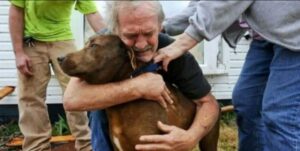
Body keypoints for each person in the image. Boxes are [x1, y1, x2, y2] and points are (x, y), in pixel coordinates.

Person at [63, 1, 220, 151]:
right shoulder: (105, 44)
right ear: (115, 30)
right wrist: (139, 87)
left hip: (156, 119)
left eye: (148, 33)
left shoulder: (176, 53)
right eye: (131, 35)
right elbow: (72, 99)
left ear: (160, 27)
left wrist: (190, 138)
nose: (141, 44)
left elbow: (209, 103)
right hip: (114, 119)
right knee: (98, 102)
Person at [155, 1, 300, 151]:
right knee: (247, 103)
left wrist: (182, 43)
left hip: (295, 33)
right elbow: (205, 4)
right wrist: (160, 27)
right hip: (267, 36)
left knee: (281, 114)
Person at [9, 1, 106, 150]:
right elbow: (16, 10)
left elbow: (92, 14)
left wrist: (112, 42)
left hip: (63, 39)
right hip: (32, 42)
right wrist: (19, 53)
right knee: (30, 97)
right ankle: (36, 147)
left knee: (78, 91)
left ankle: (87, 144)